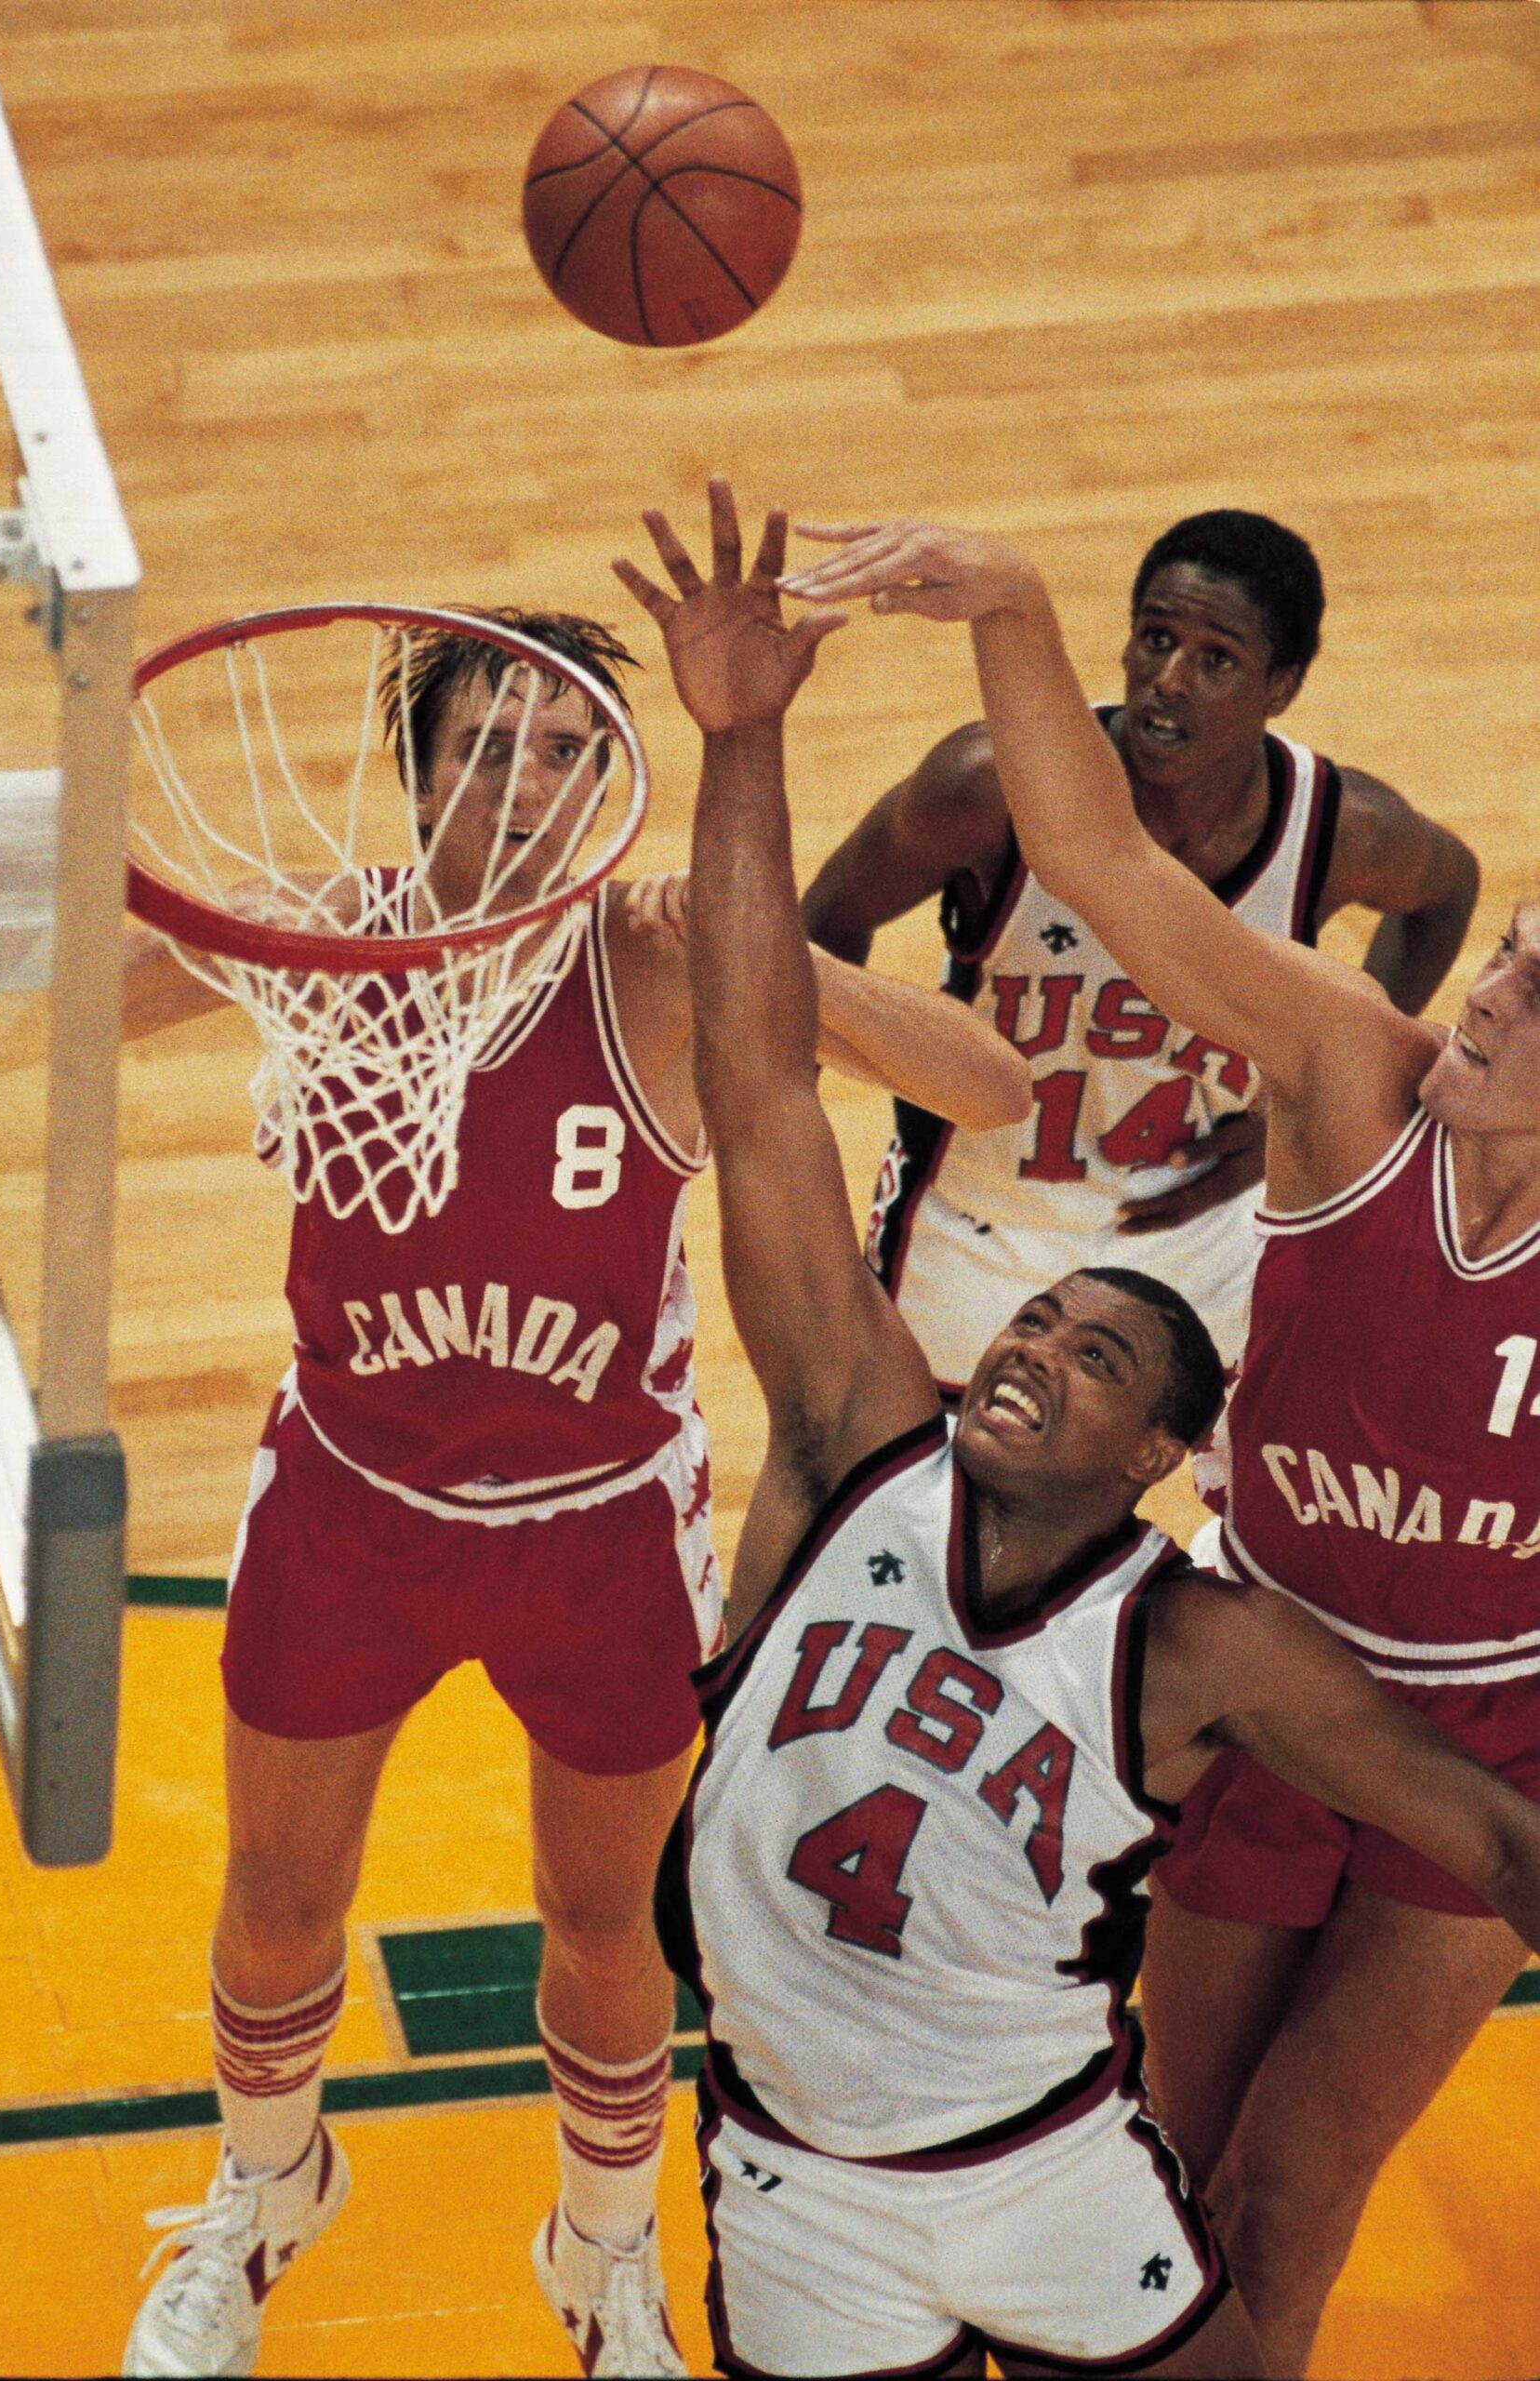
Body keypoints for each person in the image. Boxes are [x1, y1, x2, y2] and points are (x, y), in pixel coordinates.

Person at [118, 603, 1033, 2381]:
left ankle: (602, 2256)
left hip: (597, 1527)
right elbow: (53, 1003)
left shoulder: (657, 969)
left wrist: (759, 942)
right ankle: (266, 2189)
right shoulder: (324, 942)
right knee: (279, 1898)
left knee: (605, 1922)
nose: (528, 784)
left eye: (562, 751)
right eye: (488, 748)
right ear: (419, 784)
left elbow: (985, 1087)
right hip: (350, 1504)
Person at [777, 511, 1540, 2376]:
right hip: (1261, 1684)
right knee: (1168, 2177)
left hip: (1484, 1729)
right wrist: (1012, 608)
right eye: (1508, 953)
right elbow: (1101, 860)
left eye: (1533, 991)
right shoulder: (1349, 1069)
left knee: (1296, 2190)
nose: (1484, 986)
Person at [799, 510, 1478, 1384]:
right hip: (976, 1220)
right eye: (1155, 638)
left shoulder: (1339, 830)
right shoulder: (985, 786)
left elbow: (1445, 895)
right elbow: (818, 926)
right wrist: (794, 1118)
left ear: (1279, 686)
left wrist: (1308, 1103)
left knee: (1205, 1457)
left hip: (1198, 1236)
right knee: (916, 1462)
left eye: (1215, 659)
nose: (1167, 680)